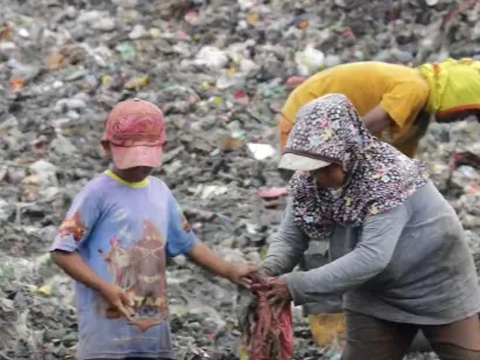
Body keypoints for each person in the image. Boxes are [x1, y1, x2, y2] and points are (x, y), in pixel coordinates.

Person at [276, 57, 480, 348]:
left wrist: (294, 286)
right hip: (374, 294)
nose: (317, 177)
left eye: (324, 167)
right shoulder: (312, 175)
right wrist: (268, 273)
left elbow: (372, 256)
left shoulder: (387, 176)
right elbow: (292, 235)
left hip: (436, 284)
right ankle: (332, 329)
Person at [50, 98, 257, 360]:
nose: (139, 167)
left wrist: (229, 270)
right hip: (105, 332)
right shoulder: (96, 194)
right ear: (107, 148)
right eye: (131, 159)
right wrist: (104, 287)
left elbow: (188, 244)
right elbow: (62, 251)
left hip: (151, 328)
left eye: (146, 159)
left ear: (162, 149)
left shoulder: (160, 192)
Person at [278, 58, 480, 157]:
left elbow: (401, 159)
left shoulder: (420, 116)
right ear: (459, 92)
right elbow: (365, 127)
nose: (465, 117)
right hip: (305, 123)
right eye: (470, 110)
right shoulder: (415, 87)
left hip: (322, 131)